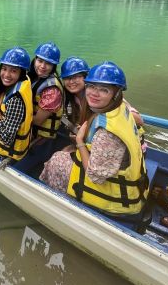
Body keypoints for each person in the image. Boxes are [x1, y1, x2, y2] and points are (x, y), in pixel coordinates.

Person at [40, 61, 148, 215]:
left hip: (117, 199)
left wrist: (79, 142)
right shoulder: (117, 110)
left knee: (57, 160)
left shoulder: (108, 130)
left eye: (103, 90)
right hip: (126, 176)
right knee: (65, 151)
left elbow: (94, 175)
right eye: (91, 87)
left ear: (116, 94)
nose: (94, 93)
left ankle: (60, 206)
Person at [29, 42, 63, 142]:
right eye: (40, 61)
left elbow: (38, 121)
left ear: (53, 66)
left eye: (48, 63)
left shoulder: (52, 90)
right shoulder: (34, 77)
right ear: (35, 60)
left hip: (40, 137)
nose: (42, 66)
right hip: (31, 129)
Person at [60, 56, 89, 128]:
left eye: (75, 77)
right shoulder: (64, 97)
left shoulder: (95, 96)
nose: (71, 81)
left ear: (85, 77)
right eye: (67, 78)